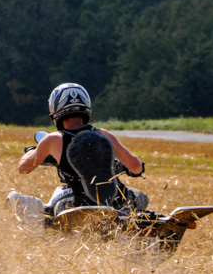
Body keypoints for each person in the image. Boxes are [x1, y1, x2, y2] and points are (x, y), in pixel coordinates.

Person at [9, 83, 149, 224]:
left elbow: (23, 168)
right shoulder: (103, 134)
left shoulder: (53, 140)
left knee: (56, 200)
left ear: (55, 108)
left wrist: (34, 150)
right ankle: (139, 220)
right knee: (141, 198)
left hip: (80, 206)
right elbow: (136, 167)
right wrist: (125, 167)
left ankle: (47, 217)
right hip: (117, 203)